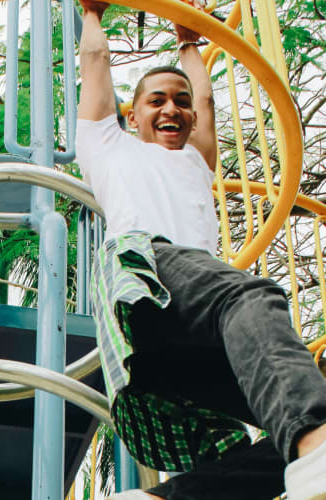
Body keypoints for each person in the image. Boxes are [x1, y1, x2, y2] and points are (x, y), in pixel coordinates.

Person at [75, 0, 326, 498]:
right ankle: (316, 447)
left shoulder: (195, 158)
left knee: (295, 415)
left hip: (177, 343)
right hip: (146, 268)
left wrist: (189, 41)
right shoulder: (108, 145)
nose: (172, 108)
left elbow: (206, 100)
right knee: (250, 296)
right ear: (132, 114)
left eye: (180, 101)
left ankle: (161, 498)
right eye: (157, 100)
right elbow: (96, 62)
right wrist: (92, 13)